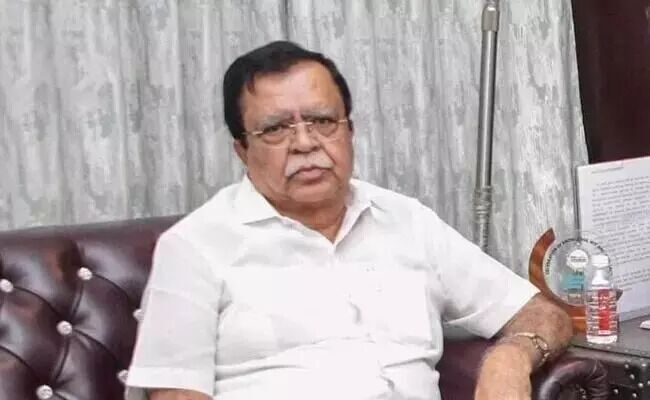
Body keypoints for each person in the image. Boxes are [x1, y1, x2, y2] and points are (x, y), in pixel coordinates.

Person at [125, 41, 572, 400]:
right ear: (242, 149)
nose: (305, 143)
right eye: (276, 129)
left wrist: (510, 358)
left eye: (322, 121)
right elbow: (176, 393)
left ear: (349, 131)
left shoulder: (407, 221)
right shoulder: (195, 247)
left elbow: (541, 314)